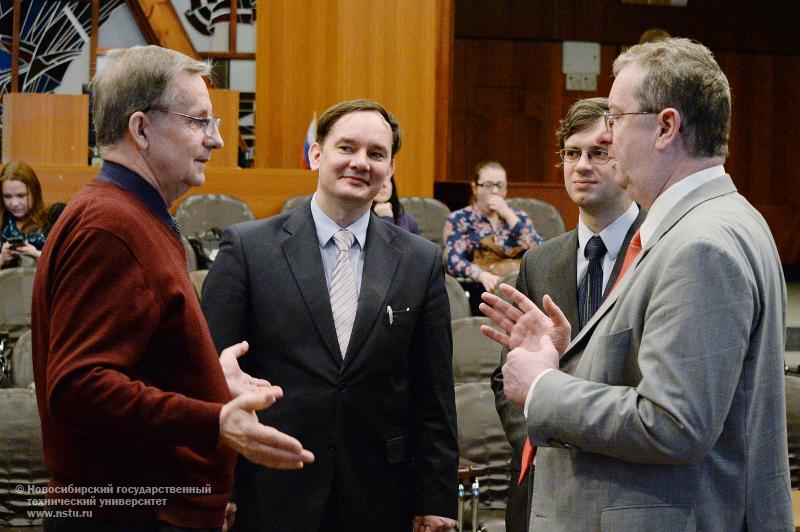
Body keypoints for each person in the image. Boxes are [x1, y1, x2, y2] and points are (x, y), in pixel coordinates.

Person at [480, 37, 792, 531]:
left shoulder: (700, 244)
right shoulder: (713, 220)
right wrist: (571, 359)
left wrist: (543, 386)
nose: (610, 135)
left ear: (666, 127)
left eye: (617, 119)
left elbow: (673, 423)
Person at [31, 45, 313, 531]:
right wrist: (213, 421)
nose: (218, 140)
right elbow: (79, 387)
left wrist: (205, 380)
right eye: (199, 121)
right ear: (140, 129)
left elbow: (130, 363)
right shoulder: (111, 227)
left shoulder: (129, 215)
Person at [201, 99, 459, 532]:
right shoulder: (248, 249)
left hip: (381, 496)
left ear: (390, 171)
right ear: (317, 154)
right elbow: (210, 379)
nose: (361, 163)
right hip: (270, 491)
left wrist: (436, 498)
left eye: (376, 154)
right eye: (347, 148)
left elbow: (434, 395)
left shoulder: (421, 260)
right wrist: (216, 486)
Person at [490, 97, 644, 532]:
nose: (582, 165)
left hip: (627, 482)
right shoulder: (539, 261)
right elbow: (508, 377)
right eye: (572, 153)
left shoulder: (661, 248)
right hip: (544, 484)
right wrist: (546, 437)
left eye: (599, 153)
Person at [443, 161, 542, 306]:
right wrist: (481, 275)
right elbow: (454, 261)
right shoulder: (459, 219)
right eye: (488, 185)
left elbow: (540, 252)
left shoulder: (518, 217)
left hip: (519, 291)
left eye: (500, 185)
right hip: (479, 289)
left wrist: (509, 216)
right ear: (475, 187)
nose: (495, 191)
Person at [0, 160, 62, 268]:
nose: (14, 203)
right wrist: (2, 258)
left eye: (21, 195)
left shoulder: (54, 216)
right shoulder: (2, 221)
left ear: (34, 191)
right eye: (8, 196)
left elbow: (70, 263)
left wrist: (38, 255)